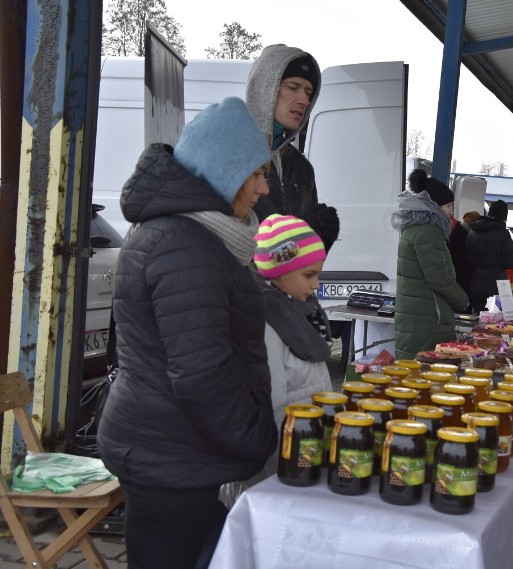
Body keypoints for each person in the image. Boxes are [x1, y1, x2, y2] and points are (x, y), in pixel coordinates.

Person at [97, 97, 279, 569]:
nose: (262, 188)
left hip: (169, 446)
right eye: (255, 174)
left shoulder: (195, 235)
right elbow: (201, 372)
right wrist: (257, 437)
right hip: (169, 455)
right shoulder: (187, 245)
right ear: (225, 173)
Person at [220, 213, 334, 508]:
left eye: (318, 274)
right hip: (273, 465)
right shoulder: (265, 322)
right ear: (278, 270)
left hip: (298, 450)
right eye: (308, 275)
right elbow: (269, 401)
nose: (316, 285)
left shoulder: (298, 311)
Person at [245, 44, 339, 252]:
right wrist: (294, 240)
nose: (304, 100)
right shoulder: (233, 156)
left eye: (309, 92)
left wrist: (317, 243)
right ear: (265, 88)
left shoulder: (303, 168)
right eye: (293, 87)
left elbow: (300, 265)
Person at [392, 169, 469, 359]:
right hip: (428, 320)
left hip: (416, 318)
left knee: (410, 374)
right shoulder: (428, 232)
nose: (451, 212)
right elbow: (438, 278)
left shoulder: (414, 228)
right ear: (434, 206)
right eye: (448, 206)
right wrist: (464, 302)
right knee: (424, 375)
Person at [466, 199, 513, 313]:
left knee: (477, 322)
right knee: (495, 325)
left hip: (476, 282)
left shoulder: (473, 232)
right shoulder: (503, 234)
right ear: (504, 216)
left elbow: (468, 259)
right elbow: (510, 263)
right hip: (498, 286)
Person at [448, 210, 480, 301]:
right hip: (461, 275)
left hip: (460, 273)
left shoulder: (458, 232)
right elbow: (462, 259)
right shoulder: (461, 236)